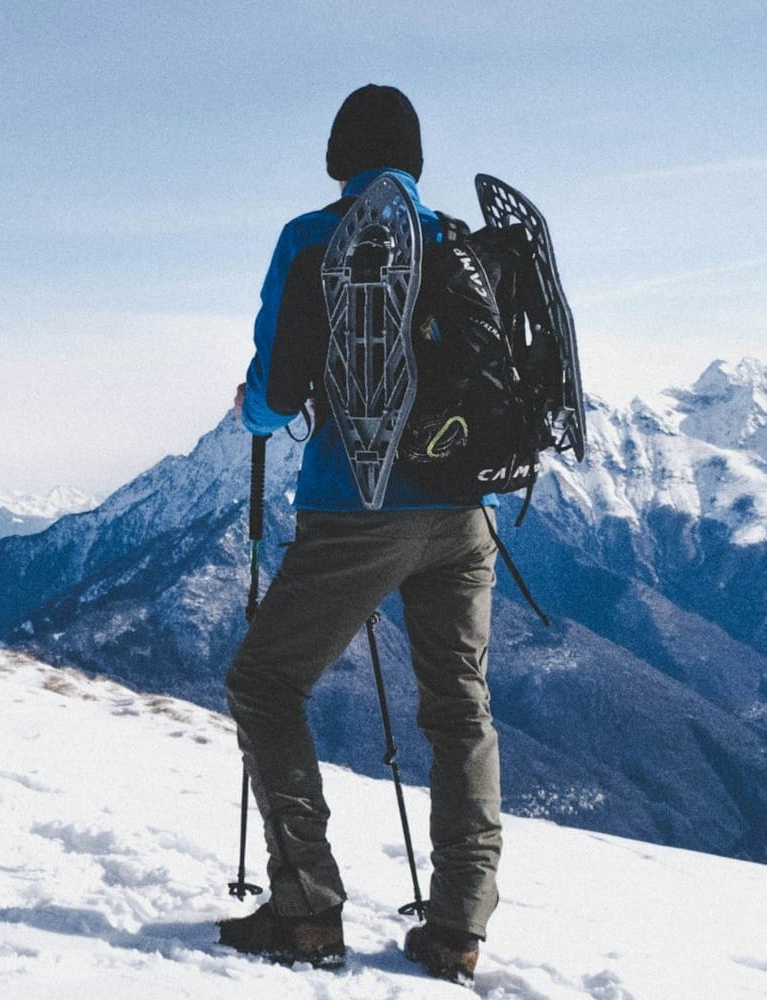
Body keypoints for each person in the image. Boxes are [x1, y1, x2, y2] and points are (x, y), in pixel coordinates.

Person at [217, 83, 501, 984]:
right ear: (415, 159)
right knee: (459, 709)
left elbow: (277, 391)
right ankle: (458, 925)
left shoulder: (312, 239)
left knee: (265, 682)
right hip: (464, 514)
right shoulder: (458, 239)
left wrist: (250, 407)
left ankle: (306, 905)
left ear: (339, 155)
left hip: (355, 510)